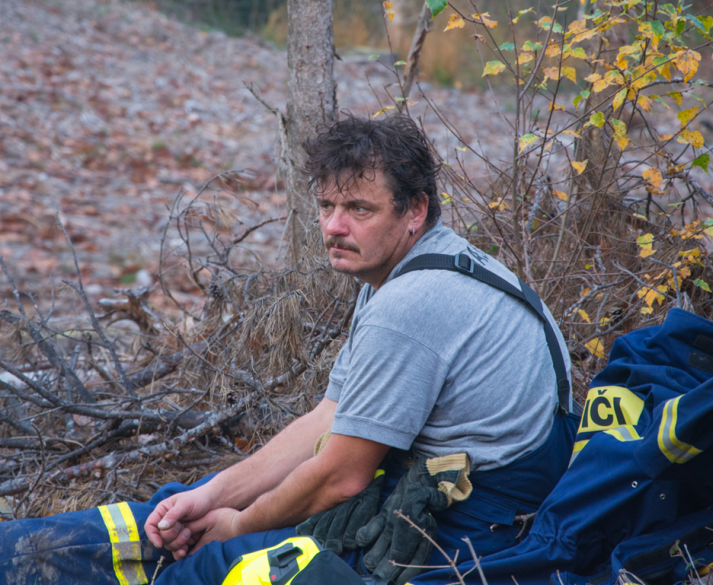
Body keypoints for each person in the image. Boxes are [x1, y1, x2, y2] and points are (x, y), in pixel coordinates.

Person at [0, 115, 578, 585]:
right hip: (423, 493)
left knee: (217, 565)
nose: (334, 226)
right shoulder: (404, 271)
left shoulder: (412, 305)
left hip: (468, 536)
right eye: (326, 206)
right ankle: (21, 557)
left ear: (416, 211)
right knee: (178, 509)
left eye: (359, 209)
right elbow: (328, 418)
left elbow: (341, 478)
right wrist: (210, 498)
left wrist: (240, 526)